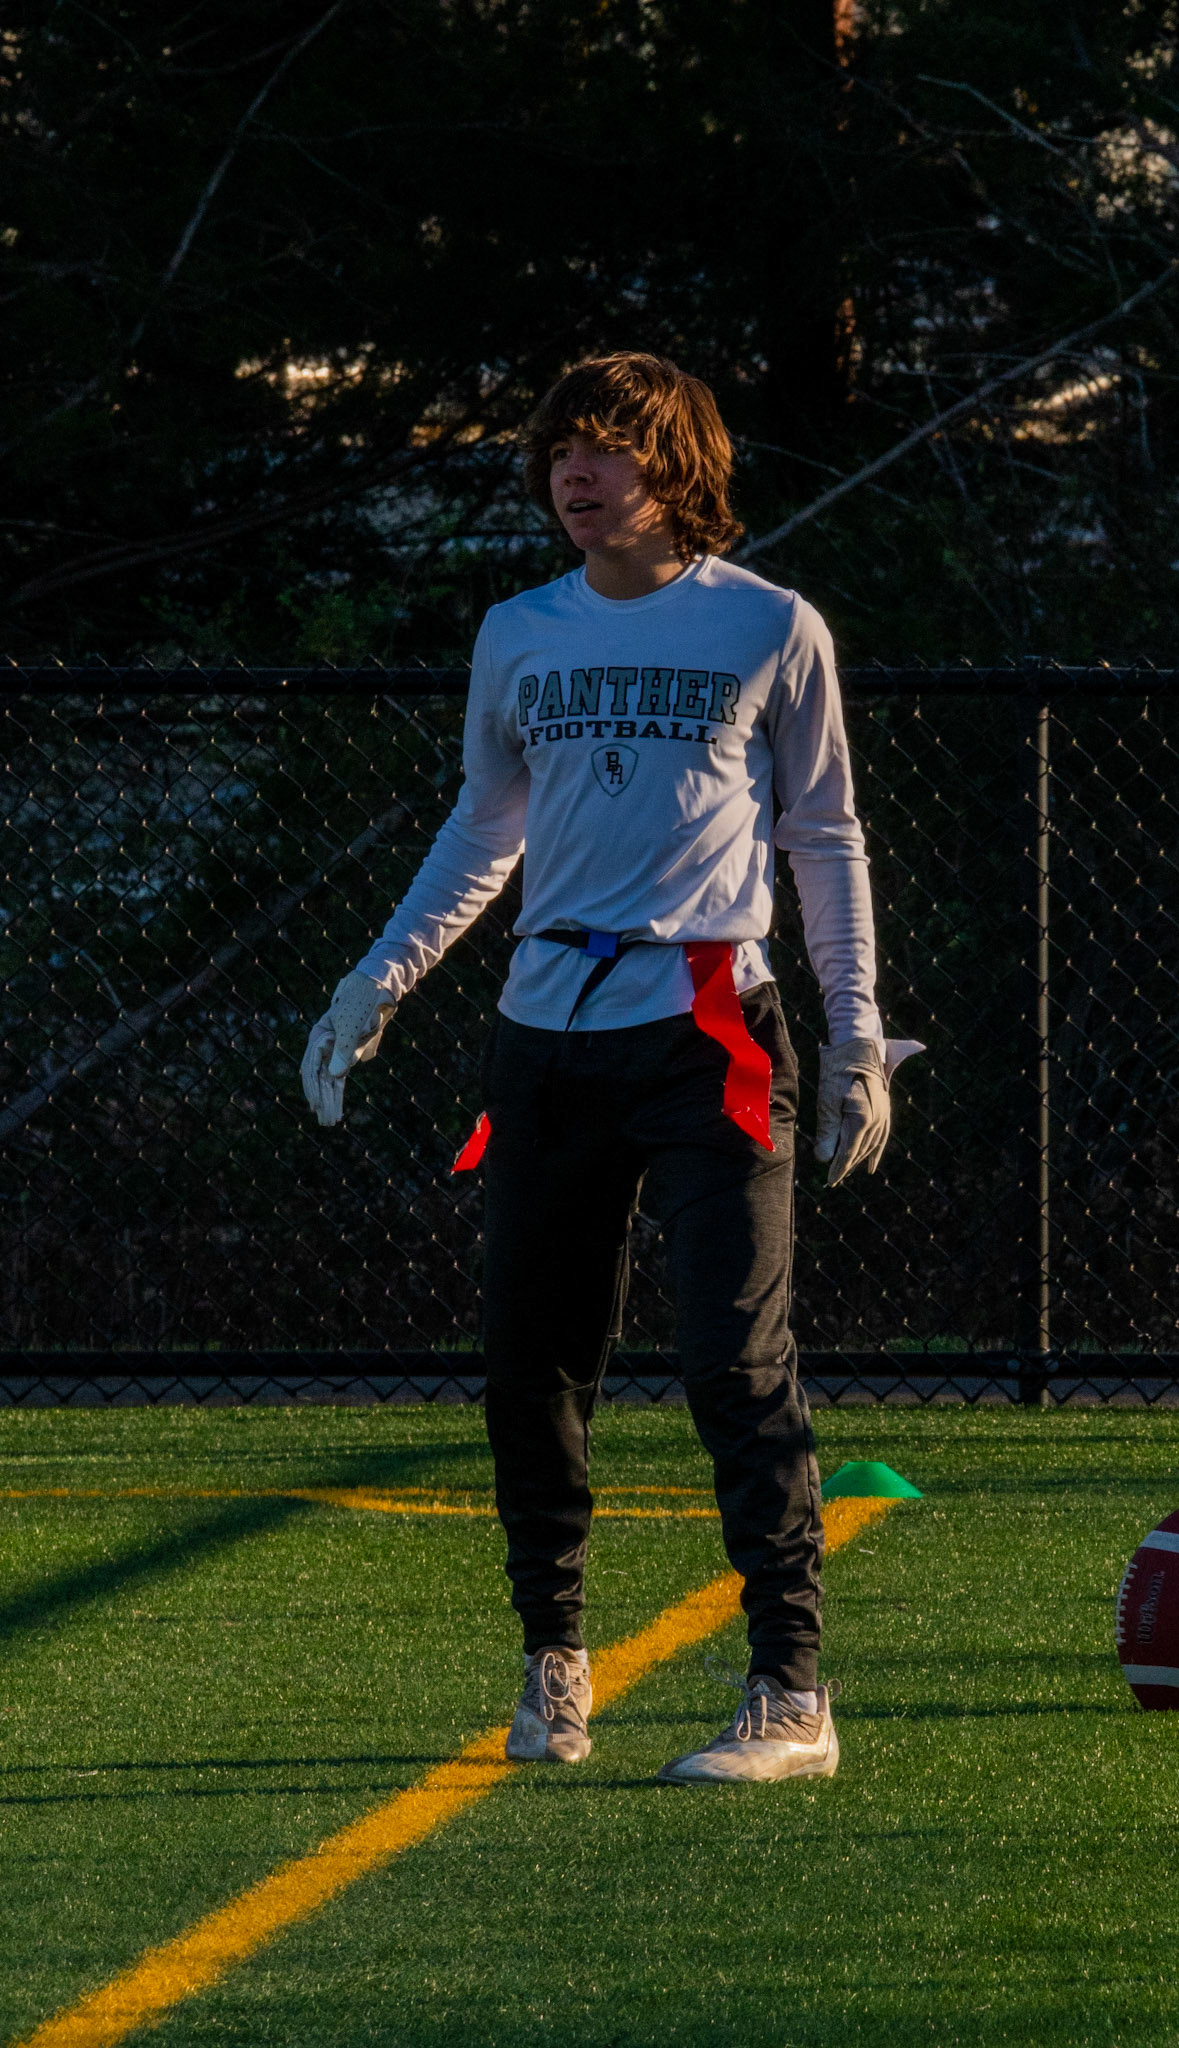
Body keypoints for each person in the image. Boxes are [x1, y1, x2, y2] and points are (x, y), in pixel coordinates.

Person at [301, 352, 917, 1784]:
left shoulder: (769, 623)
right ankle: (553, 1669)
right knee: (533, 1368)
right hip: (545, 1033)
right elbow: (484, 828)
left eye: (608, 448)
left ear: (676, 463)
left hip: (711, 1031)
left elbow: (823, 836)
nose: (576, 474)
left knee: (734, 1364)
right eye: (561, 451)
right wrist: (374, 980)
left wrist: (856, 1034)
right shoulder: (517, 631)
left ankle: (790, 1696)